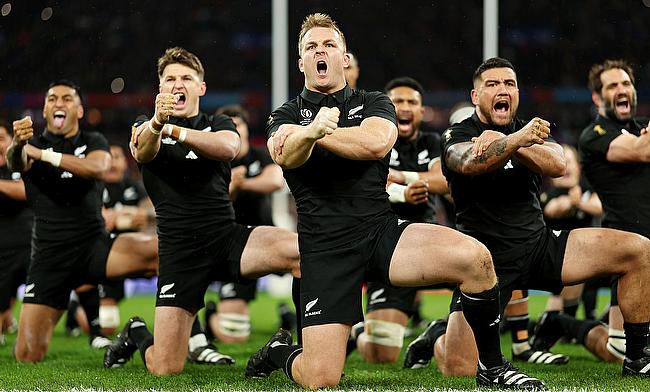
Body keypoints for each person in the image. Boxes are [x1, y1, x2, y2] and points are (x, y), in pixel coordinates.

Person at [245, 14, 543, 389]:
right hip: (324, 248)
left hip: (380, 232)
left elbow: (376, 143)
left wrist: (315, 134)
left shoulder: (374, 101)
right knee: (321, 378)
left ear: (345, 58)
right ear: (301, 62)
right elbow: (285, 155)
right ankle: (279, 352)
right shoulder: (283, 113)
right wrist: (307, 133)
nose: (320, 52)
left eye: (329, 45)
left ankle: (493, 368)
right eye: (311, 47)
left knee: (477, 259)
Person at [404, 57, 650, 379]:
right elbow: (468, 163)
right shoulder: (457, 133)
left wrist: (513, 141)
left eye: (509, 84)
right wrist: (516, 139)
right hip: (487, 262)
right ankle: (437, 335)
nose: (502, 89)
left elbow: (557, 164)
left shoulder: (527, 131)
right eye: (492, 84)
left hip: (539, 246)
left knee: (639, 250)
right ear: (476, 96)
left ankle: (637, 358)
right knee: (458, 368)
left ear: (517, 92)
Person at [104, 47, 301, 375]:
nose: (177, 84)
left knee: (300, 251)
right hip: (179, 253)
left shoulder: (217, 122)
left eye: (186, 78)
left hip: (226, 238)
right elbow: (141, 149)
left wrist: (174, 130)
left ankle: (297, 351)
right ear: (161, 89)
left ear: (201, 88)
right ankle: (137, 332)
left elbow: (228, 147)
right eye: (170, 79)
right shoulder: (146, 126)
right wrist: (158, 123)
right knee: (166, 367)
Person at [7, 80, 160, 363]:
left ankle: (185, 338)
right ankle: (118, 328)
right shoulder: (31, 145)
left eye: (67, 98)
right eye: (52, 98)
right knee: (27, 355)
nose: (59, 103)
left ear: (79, 110)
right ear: (45, 108)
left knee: (164, 254)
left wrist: (44, 155)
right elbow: (16, 162)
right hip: (50, 258)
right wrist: (18, 144)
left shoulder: (93, 141)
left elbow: (98, 167)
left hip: (94, 247)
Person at [349, 76, 449, 364]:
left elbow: (443, 179)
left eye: (412, 102)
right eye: (398, 101)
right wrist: (404, 195)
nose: (405, 107)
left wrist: (405, 178)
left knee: (484, 278)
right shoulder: (373, 141)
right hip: (386, 250)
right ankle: (359, 331)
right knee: (381, 355)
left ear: (421, 111)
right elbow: (367, 185)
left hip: (427, 245)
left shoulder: (432, 142)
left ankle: (439, 330)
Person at [578, 59, 650, 362]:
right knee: (620, 351)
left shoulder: (642, 128)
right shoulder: (594, 134)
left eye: (627, 84)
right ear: (598, 97)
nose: (622, 90)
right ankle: (568, 325)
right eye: (613, 86)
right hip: (628, 251)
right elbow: (640, 150)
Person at [203, 104, 286, 343]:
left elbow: (275, 181)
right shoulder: (212, 163)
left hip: (266, 236)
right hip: (232, 244)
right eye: (226, 125)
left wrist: (241, 184)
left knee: (305, 259)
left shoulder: (260, 155)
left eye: (237, 123)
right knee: (234, 334)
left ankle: (299, 320)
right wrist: (232, 188)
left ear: (247, 129)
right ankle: (211, 317)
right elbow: (211, 203)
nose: (233, 128)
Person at [0, 121, 31, 346]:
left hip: (28, 245)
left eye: (1, 139)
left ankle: (92, 326)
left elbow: (25, 192)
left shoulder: (21, 165)